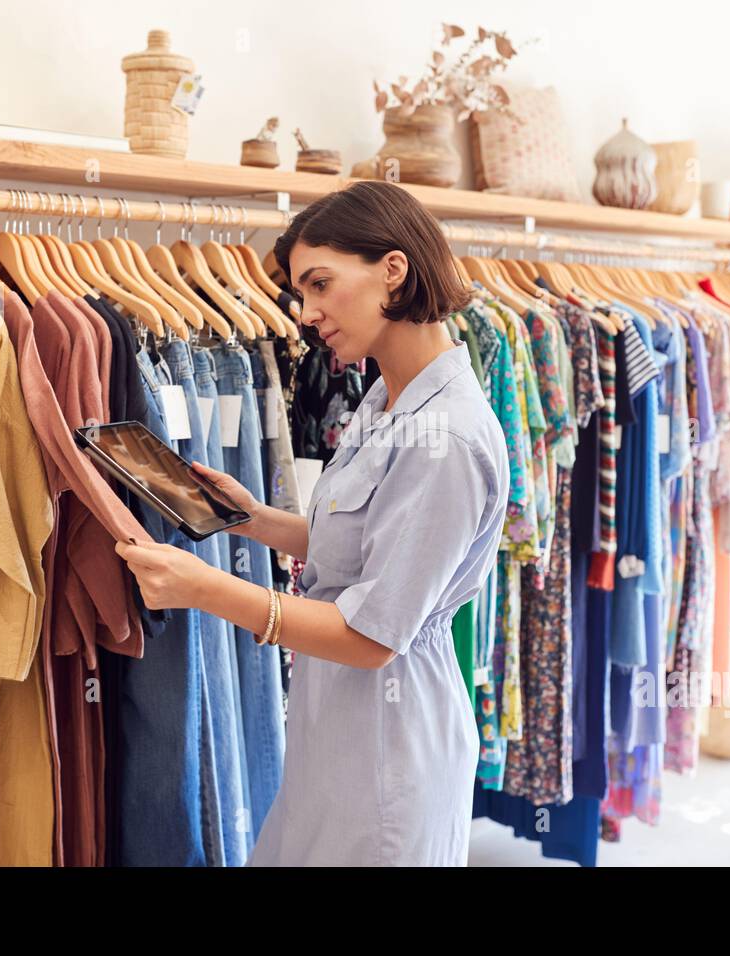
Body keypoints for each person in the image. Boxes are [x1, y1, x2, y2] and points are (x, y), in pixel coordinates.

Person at [115, 180, 509, 866]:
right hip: (340, 723)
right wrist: (249, 518)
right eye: (303, 293)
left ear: (394, 269)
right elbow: (360, 545)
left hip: (391, 735)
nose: (308, 312)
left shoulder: (446, 436)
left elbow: (371, 636)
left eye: (321, 284)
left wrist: (205, 588)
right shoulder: (389, 394)